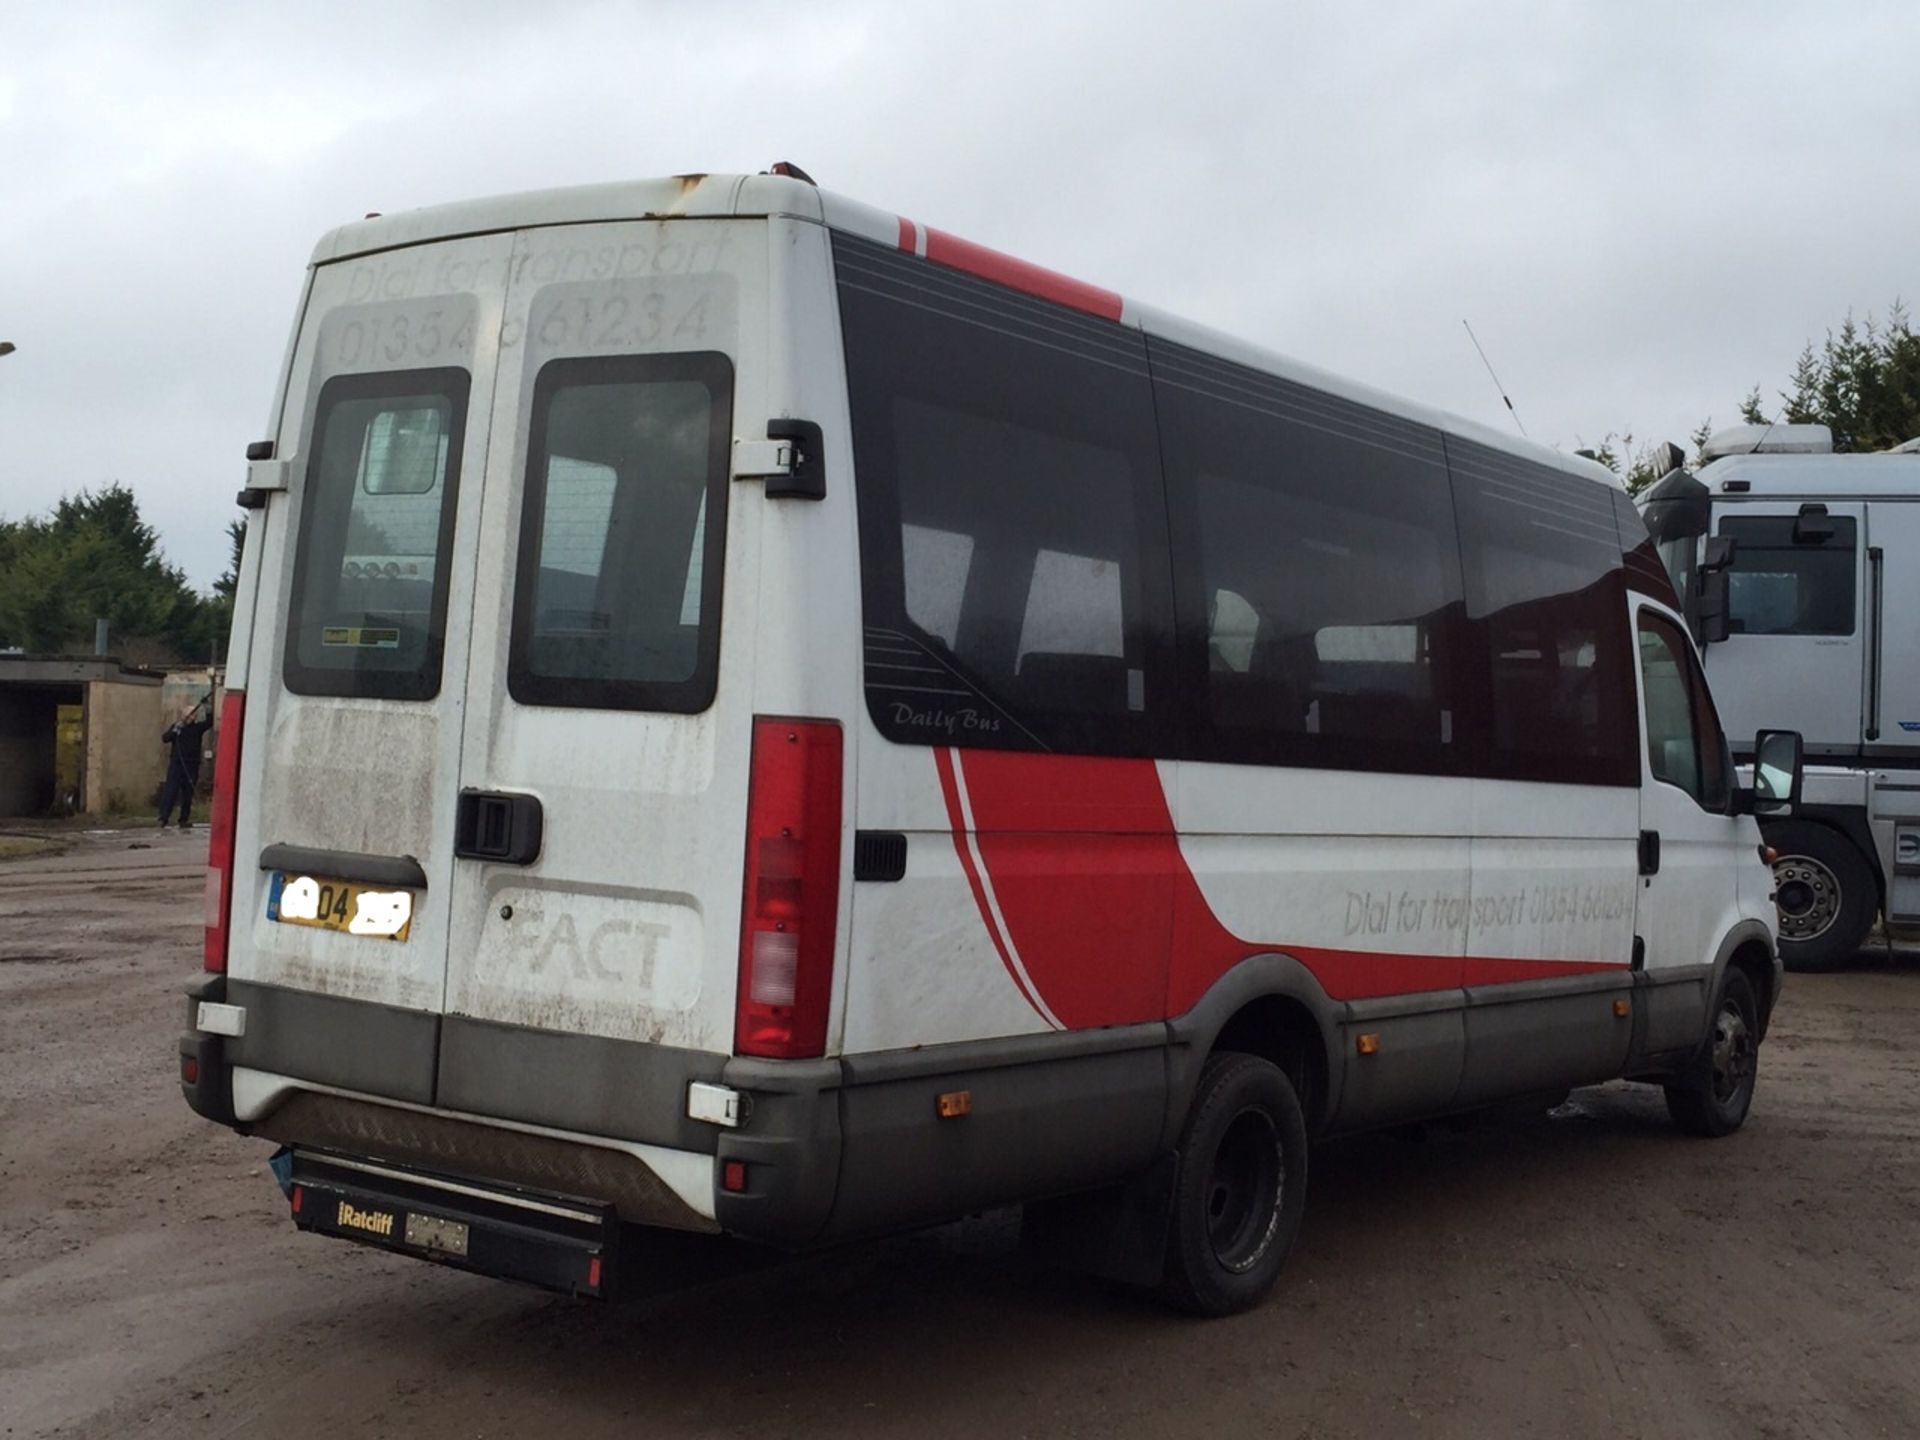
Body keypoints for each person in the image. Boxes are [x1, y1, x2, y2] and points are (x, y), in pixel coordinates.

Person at [159, 699, 213, 830]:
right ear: (183, 716)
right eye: (188, 715)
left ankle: (184, 818)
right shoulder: (177, 727)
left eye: (193, 715)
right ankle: (163, 818)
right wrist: (175, 729)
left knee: (187, 792)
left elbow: (209, 722)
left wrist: (207, 708)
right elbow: (165, 738)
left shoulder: (197, 728)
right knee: (171, 790)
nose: (191, 717)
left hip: (192, 764)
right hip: (177, 763)